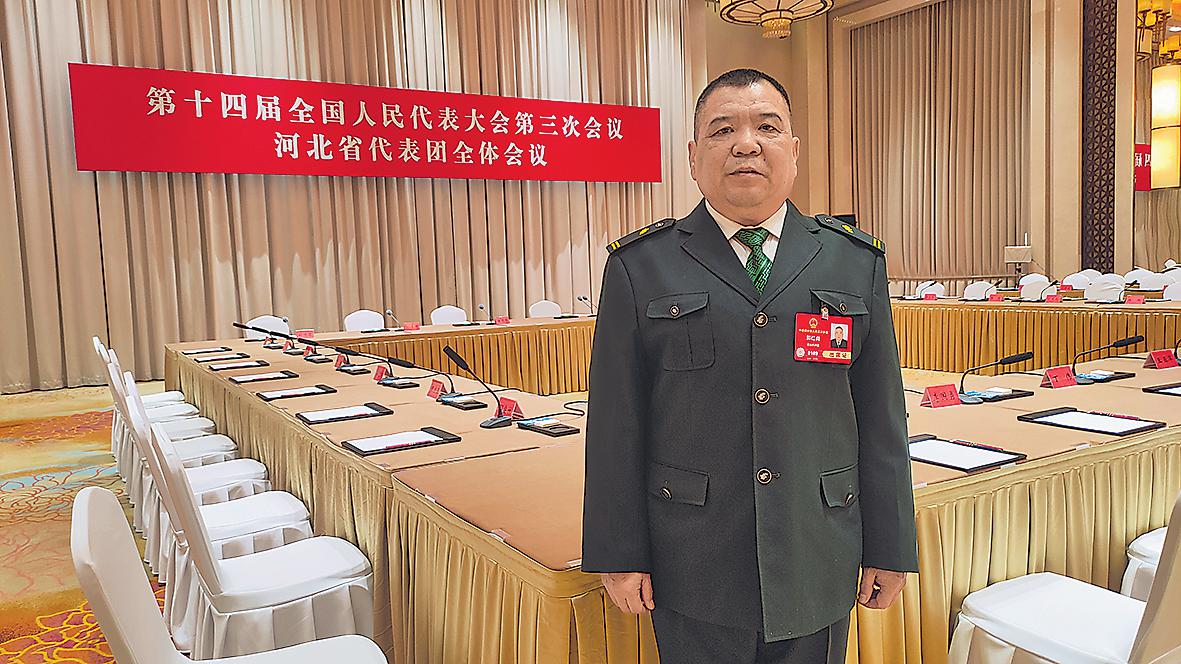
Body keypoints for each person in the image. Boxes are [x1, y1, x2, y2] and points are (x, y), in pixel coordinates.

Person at [582, 68, 918, 664]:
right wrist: (618, 551)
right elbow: (614, 423)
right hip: (693, 558)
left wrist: (891, 546)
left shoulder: (851, 261)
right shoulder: (641, 266)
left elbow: (881, 417)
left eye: (767, 127)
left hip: (817, 548)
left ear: (794, 150)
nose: (745, 144)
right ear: (693, 156)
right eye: (722, 130)